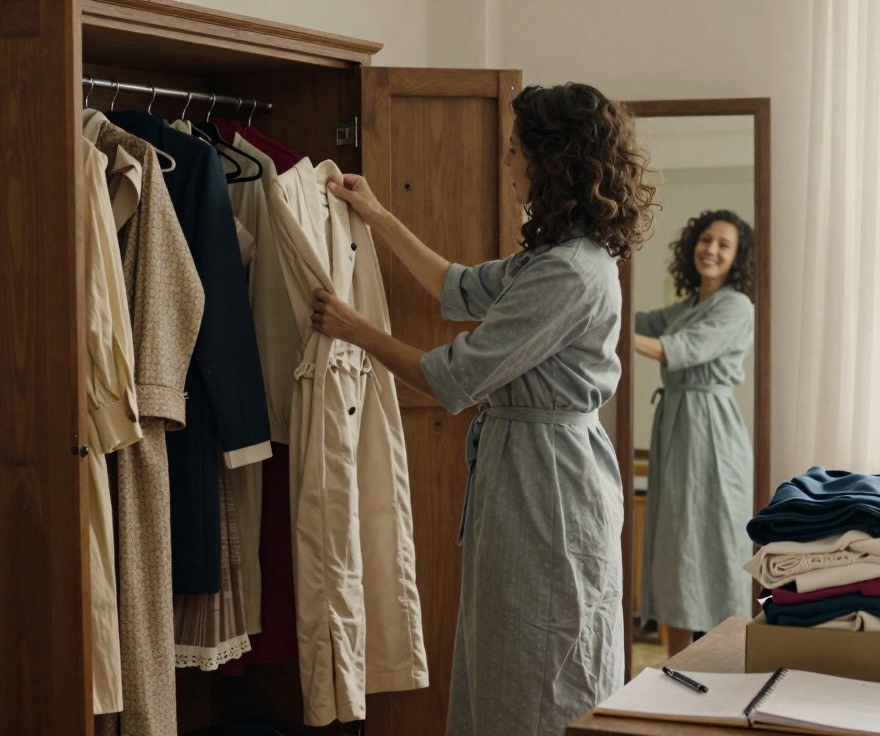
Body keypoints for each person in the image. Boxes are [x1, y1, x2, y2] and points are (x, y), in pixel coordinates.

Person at [310, 83, 656, 736]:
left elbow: (455, 377)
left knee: (541, 662)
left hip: (550, 486)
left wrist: (355, 330)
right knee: (505, 654)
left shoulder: (571, 273)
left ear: (550, 163)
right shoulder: (553, 259)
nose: (506, 161)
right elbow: (458, 288)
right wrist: (377, 215)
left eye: (514, 149)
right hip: (526, 470)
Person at [633, 209, 756, 657]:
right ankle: (676, 666)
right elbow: (637, 319)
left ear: (738, 257)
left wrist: (610, 332)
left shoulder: (736, 306)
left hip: (712, 431)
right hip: (678, 427)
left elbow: (677, 350)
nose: (711, 250)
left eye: (724, 244)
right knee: (675, 543)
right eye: (706, 240)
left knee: (715, 541)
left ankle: (726, 665)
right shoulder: (688, 306)